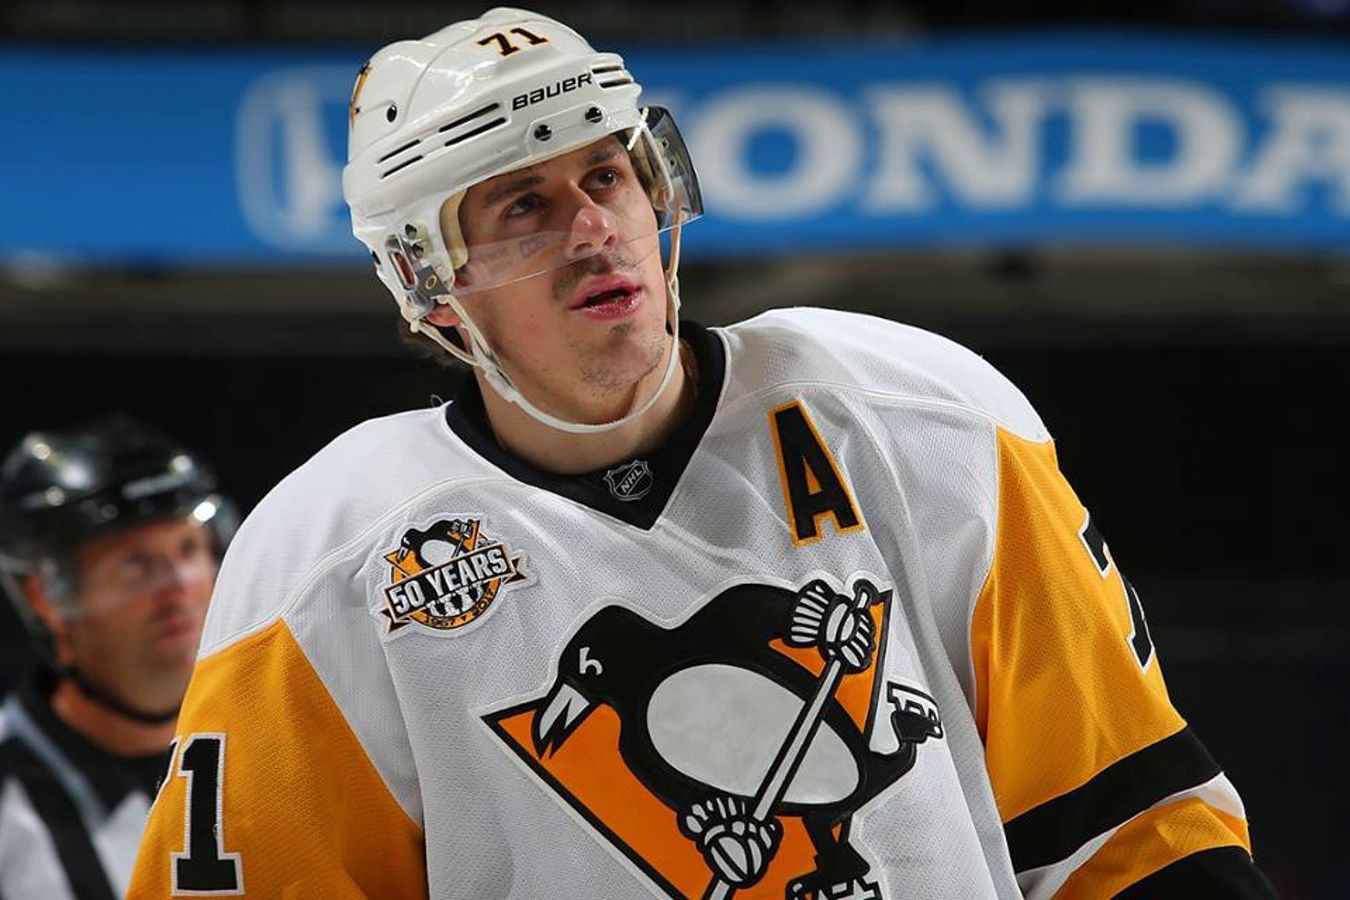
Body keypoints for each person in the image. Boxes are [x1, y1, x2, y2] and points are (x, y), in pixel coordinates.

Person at [129, 8, 1275, 898]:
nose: (594, 229)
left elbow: (1129, 831)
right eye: (522, 205)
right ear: (428, 283)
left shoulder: (922, 420)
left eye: (606, 175)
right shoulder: (327, 562)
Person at [0, 415, 234, 899]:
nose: (179, 587)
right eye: (136, 563)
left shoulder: (280, 740)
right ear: (46, 598)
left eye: (188, 549)